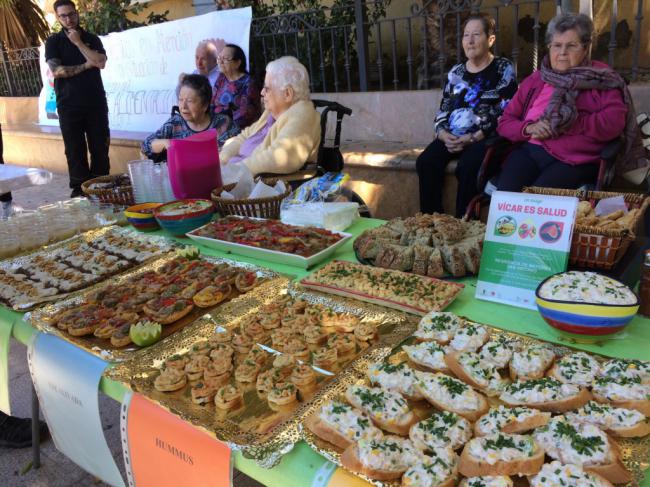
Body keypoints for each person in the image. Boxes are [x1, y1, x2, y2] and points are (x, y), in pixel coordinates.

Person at [496, 13, 630, 192]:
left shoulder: (602, 78)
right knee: (506, 195)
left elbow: (614, 123)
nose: (562, 52)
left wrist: (570, 123)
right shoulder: (537, 79)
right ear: (549, 47)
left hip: (575, 159)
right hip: (531, 150)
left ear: (585, 48)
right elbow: (505, 122)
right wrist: (529, 128)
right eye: (557, 45)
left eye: (571, 46)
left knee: (540, 198)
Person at [416, 13, 517, 217]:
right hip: (453, 136)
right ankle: (432, 222)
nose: (469, 41)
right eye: (466, 35)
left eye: (476, 35)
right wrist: (443, 134)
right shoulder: (456, 72)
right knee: (426, 162)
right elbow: (444, 108)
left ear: (490, 39)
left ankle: (465, 224)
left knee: (469, 166)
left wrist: (473, 137)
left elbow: (505, 111)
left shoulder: (503, 68)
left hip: (485, 137)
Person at [45, 0, 109, 198]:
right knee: (75, 151)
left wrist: (79, 43)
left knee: (100, 147)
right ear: (57, 17)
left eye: (71, 14)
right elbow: (57, 71)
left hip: (95, 103)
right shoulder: (54, 42)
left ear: (77, 13)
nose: (69, 19)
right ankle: (80, 192)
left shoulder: (91, 38)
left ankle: (101, 187)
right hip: (69, 105)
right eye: (63, 16)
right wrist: (86, 65)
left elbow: (100, 62)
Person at [220, 56, 321, 176]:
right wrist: (222, 160)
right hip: (236, 174)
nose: (262, 93)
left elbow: (280, 157)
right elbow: (244, 136)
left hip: (261, 184)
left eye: (267, 89)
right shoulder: (272, 114)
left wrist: (232, 171)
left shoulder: (303, 115)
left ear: (287, 94)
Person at [141, 75, 237, 159]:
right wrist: (167, 143)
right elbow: (146, 145)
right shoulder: (175, 124)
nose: (183, 107)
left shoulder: (223, 124)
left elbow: (243, 148)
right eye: (180, 100)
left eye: (190, 101)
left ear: (205, 105)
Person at [212, 44, 261, 131]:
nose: (221, 62)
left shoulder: (249, 83)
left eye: (226, 58)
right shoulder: (221, 78)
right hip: (218, 127)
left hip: (241, 131)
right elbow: (212, 102)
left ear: (237, 63)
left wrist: (220, 122)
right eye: (220, 58)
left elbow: (245, 114)